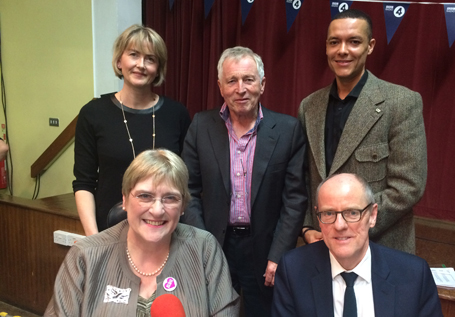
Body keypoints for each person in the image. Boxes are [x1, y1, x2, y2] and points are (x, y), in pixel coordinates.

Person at [181, 46, 307, 316]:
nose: (241, 88)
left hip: (264, 248)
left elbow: (295, 198)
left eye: (248, 79)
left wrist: (279, 254)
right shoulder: (201, 125)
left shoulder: (288, 130)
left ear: (262, 84)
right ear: (220, 86)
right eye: (232, 80)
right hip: (214, 243)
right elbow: (187, 191)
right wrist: (202, 245)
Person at [45, 149, 239, 316]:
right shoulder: (85, 256)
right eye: (145, 196)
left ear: (183, 206)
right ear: (125, 200)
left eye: (170, 198)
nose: (157, 210)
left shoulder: (204, 249)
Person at [299, 9, 427, 254]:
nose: (343, 50)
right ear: (326, 47)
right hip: (321, 246)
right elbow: (303, 179)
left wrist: (345, 224)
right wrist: (306, 227)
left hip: (381, 249)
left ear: (370, 46)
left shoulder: (401, 103)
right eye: (334, 42)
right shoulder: (309, 107)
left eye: (354, 41)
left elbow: (408, 187)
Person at [73, 24, 191, 236]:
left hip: (163, 233)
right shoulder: (92, 114)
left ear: (158, 68)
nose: (141, 65)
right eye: (134, 55)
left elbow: (185, 183)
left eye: (150, 59)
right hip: (108, 231)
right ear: (119, 61)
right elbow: (84, 183)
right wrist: (94, 240)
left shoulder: (177, 114)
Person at [272, 173, 443, 317]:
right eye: (329, 213)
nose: (339, 225)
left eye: (352, 213)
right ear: (318, 219)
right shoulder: (293, 271)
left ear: (373, 215)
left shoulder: (414, 275)